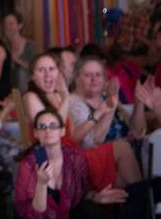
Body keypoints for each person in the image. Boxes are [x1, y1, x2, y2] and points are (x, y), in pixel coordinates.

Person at [13, 110, 126, 219]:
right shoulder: (30, 163)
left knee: (93, 211)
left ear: (62, 131)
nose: (47, 131)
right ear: (35, 133)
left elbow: (83, 193)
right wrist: (42, 184)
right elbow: (37, 212)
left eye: (53, 126)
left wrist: (96, 198)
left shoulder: (75, 157)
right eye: (42, 127)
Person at [23, 53, 141, 190]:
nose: (47, 75)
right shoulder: (31, 97)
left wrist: (100, 112)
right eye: (41, 70)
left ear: (58, 73)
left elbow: (74, 136)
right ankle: (145, 203)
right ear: (32, 76)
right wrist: (66, 98)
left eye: (51, 69)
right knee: (122, 148)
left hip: (71, 154)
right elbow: (53, 133)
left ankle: (140, 204)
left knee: (122, 177)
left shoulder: (58, 96)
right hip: (54, 159)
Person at [2, 11, 38, 93]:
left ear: (20, 26)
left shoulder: (30, 45)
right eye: (5, 24)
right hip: (8, 92)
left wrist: (17, 60)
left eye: (11, 24)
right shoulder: (2, 46)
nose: (7, 27)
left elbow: (36, 68)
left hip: (28, 91)